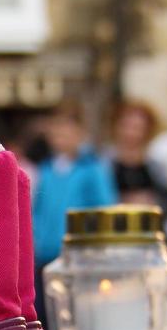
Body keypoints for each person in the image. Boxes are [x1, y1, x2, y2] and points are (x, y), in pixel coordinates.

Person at [32, 103, 120, 277]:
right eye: (55, 131)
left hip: (80, 255)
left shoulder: (92, 168)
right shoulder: (46, 169)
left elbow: (104, 207)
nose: (59, 136)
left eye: (65, 131)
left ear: (79, 133)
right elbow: (38, 209)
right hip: (46, 255)